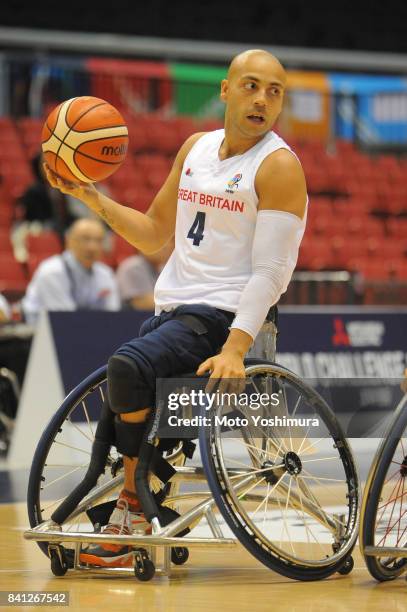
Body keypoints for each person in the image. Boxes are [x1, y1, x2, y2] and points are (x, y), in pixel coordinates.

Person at [44, 49, 308, 568]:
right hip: (174, 312)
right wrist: (94, 200)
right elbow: (152, 233)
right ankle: (144, 485)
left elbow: (273, 274)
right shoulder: (195, 148)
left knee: (127, 365)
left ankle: (133, 508)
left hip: (224, 320)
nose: (262, 99)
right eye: (251, 86)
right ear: (226, 90)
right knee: (126, 391)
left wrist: (237, 346)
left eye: (274, 91)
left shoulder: (278, 167)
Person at [22, 218, 120, 324]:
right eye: (85, 239)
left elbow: (112, 317)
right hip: (37, 336)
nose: (92, 247)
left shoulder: (105, 274)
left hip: (85, 332)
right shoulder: (52, 271)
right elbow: (66, 321)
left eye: (98, 240)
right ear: (69, 241)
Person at [116, 241, 174, 310]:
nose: (170, 250)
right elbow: (143, 302)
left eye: (171, 247)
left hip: (155, 317)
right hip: (130, 318)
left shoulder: (162, 268)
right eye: (163, 247)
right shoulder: (134, 266)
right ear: (146, 246)